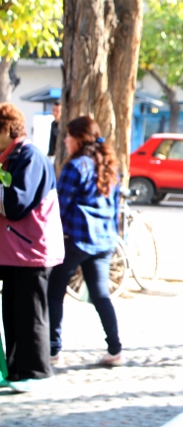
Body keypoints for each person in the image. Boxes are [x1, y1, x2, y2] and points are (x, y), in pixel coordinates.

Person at [47, 116, 125, 366]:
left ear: (79, 138)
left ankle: (52, 349)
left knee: (54, 291)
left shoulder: (75, 166)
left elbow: (59, 204)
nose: (66, 140)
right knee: (101, 295)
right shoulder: (110, 166)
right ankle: (115, 349)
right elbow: (115, 208)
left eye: (68, 136)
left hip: (76, 238)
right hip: (103, 241)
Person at [0, 102, 64, 392]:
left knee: (32, 313)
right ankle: (17, 370)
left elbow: (16, 205)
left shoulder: (29, 157)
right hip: (15, 251)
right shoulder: (11, 157)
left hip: (32, 250)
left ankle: (36, 370)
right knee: (12, 312)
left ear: (7, 129)